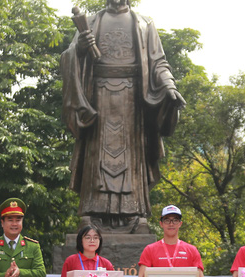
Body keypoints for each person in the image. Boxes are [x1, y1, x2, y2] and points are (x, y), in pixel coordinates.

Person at [60, 0, 185, 234]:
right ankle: (92, 212)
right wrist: (80, 49)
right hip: (98, 98)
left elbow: (158, 62)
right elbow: (68, 57)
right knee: (97, 155)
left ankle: (134, 214)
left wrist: (168, 85)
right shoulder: (93, 21)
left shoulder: (144, 24)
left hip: (133, 100)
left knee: (131, 157)